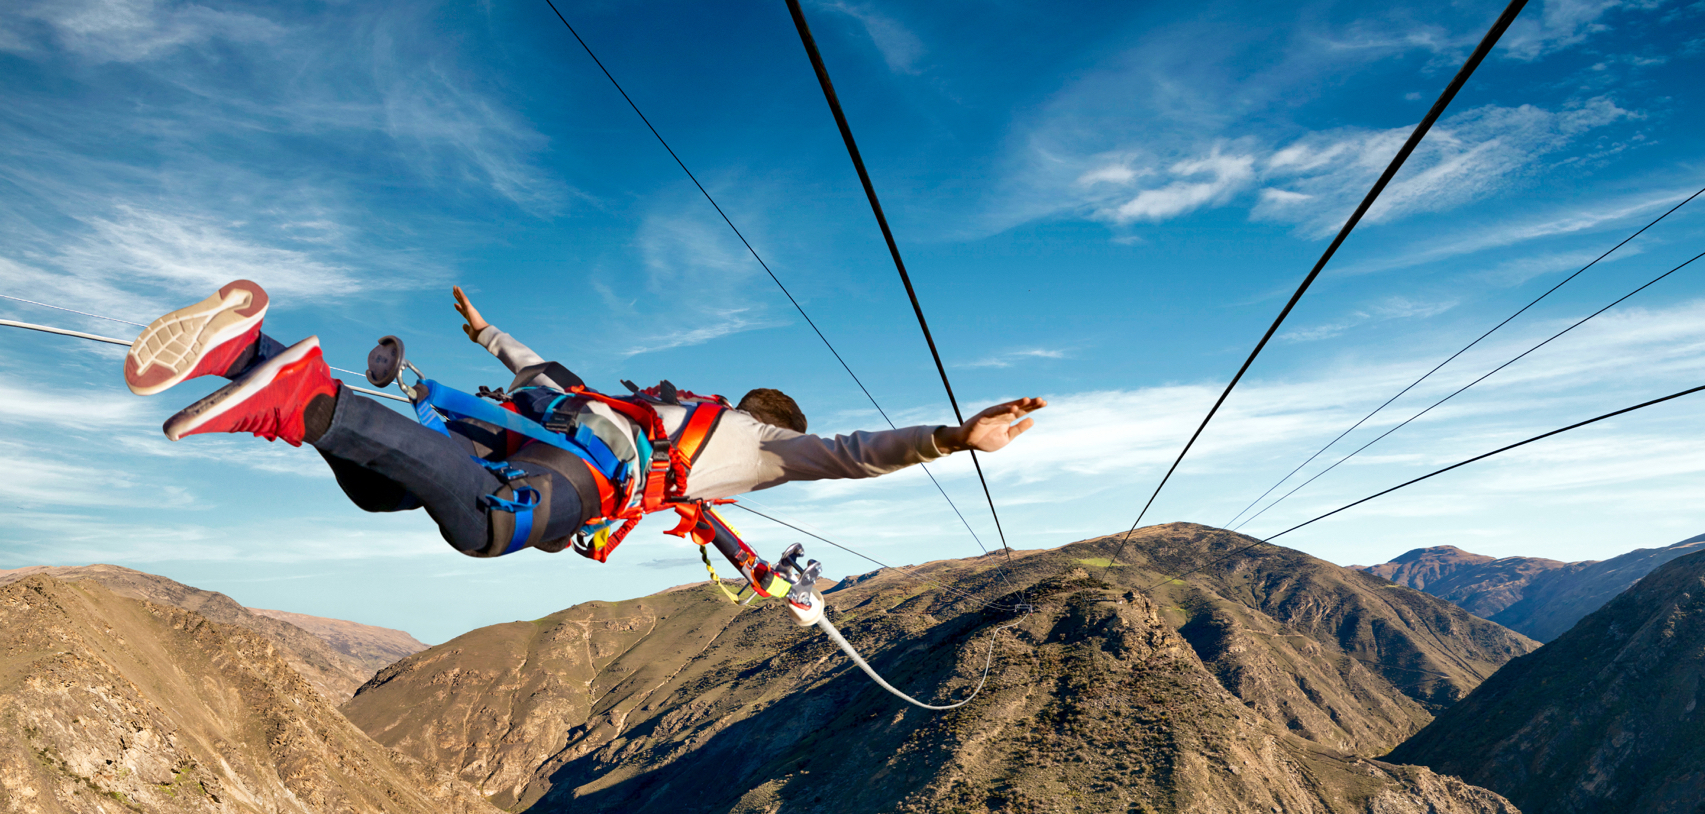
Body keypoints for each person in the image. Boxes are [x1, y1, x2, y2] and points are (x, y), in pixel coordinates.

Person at [125, 280, 1045, 558]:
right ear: (772, 421)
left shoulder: (661, 403)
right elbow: (850, 454)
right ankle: (299, 399)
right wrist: (954, 439)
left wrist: (486, 329)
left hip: (529, 423)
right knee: (491, 527)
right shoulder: (760, 444)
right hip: (575, 469)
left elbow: (537, 367)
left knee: (385, 494)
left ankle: (243, 352)